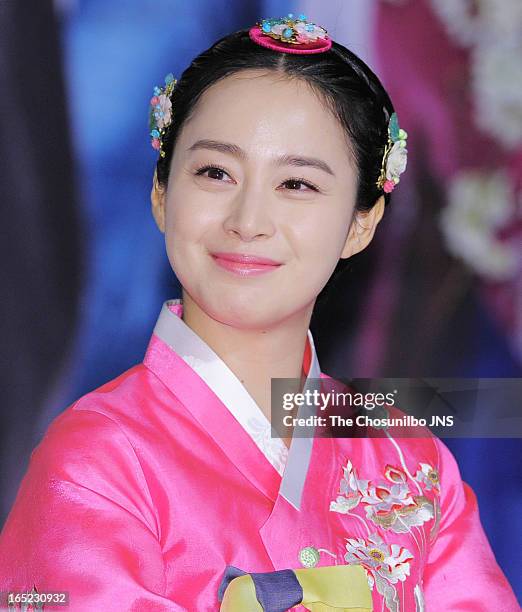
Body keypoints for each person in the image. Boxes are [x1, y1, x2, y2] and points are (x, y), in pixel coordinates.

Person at [0, 14, 518, 612]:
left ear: (361, 222)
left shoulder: (410, 460)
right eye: (216, 173)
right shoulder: (94, 462)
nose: (248, 220)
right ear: (161, 194)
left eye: (296, 184)